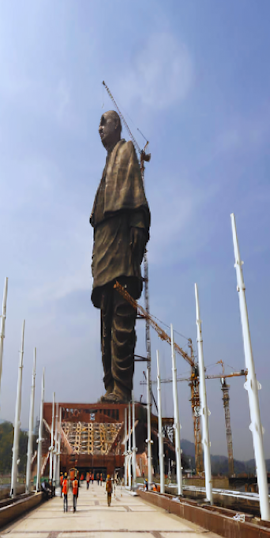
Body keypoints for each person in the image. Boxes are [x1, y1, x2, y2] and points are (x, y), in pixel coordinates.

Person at [91, 110, 150, 403]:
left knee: (122, 319)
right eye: (99, 124)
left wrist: (138, 223)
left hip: (121, 246)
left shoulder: (126, 150)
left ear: (117, 125)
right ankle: (110, 385)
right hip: (104, 248)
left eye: (104, 122)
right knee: (105, 323)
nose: (100, 127)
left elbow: (137, 195)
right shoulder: (106, 163)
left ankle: (122, 390)